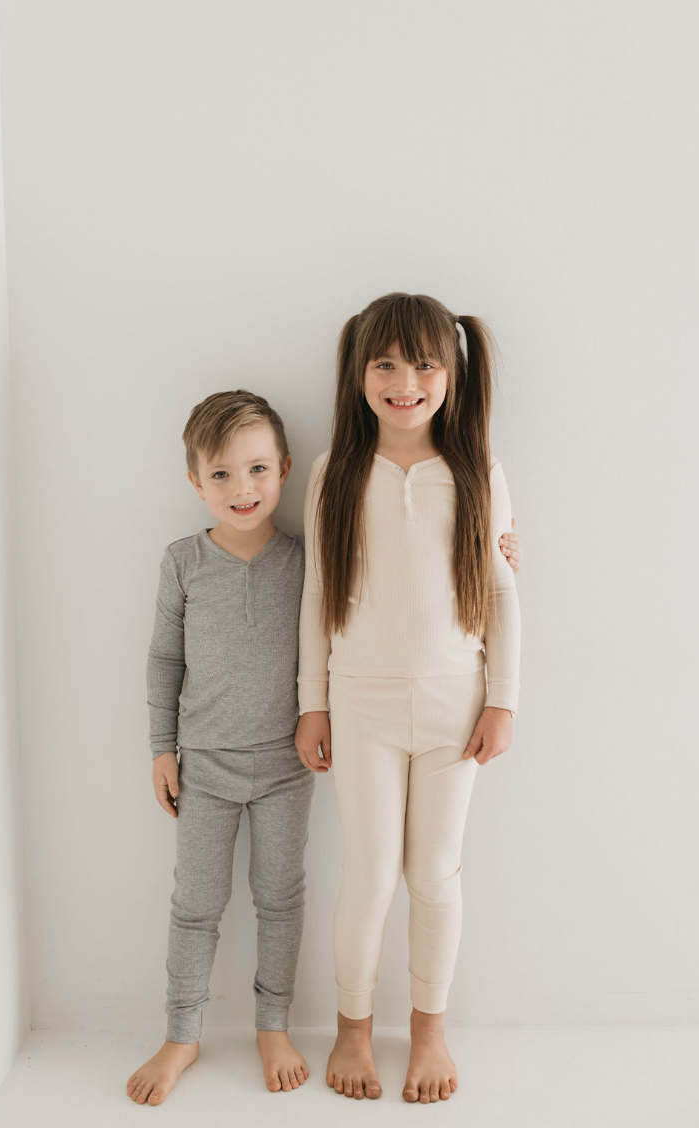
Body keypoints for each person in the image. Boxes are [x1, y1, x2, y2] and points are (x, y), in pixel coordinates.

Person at [294, 292, 522, 1104]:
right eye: (384, 364)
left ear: (452, 372)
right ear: (359, 372)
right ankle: (354, 1029)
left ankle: (430, 1029)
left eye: (425, 364)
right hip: (361, 705)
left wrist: (504, 699)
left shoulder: (475, 470)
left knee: (434, 871)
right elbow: (318, 593)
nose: (404, 382)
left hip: (456, 705)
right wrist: (310, 700)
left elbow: (498, 590)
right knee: (370, 874)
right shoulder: (336, 472)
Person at [127, 390, 315, 1104]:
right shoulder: (182, 562)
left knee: (280, 899)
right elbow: (163, 662)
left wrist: (500, 549)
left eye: (259, 470)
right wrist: (161, 748)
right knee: (196, 905)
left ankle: (273, 1024)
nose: (243, 489)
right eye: (223, 475)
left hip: (286, 768)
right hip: (203, 767)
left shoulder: (304, 561)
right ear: (195, 481)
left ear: (285, 470)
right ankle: (182, 1034)